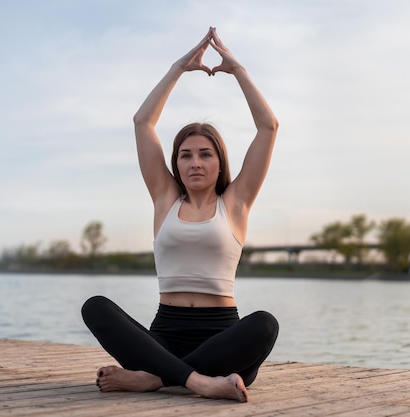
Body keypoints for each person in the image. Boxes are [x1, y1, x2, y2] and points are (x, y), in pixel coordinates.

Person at [81, 27, 279, 403]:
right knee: (95, 308)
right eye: (185, 155)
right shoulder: (164, 198)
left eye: (205, 154)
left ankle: (155, 379)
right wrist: (177, 68)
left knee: (265, 325)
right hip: (163, 335)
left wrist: (238, 71)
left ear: (220, 162)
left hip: (223, 337)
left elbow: (268, 127)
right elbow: (143, 123)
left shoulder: (235, 202)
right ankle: (199, 382)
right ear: (175, 163)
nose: (195, 163)